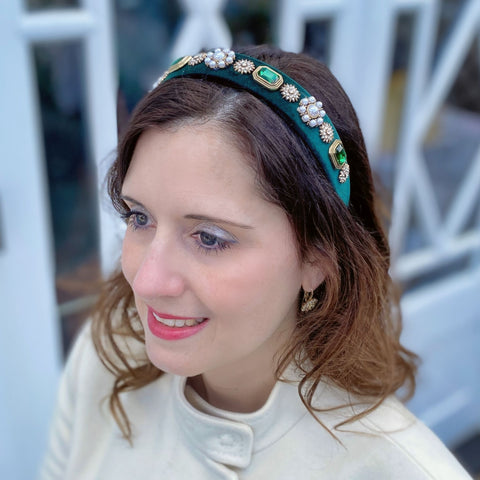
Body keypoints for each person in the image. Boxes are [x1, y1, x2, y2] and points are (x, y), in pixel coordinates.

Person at [40, 45, 472, 479]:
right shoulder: (109, 352)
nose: (148, 281)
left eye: (209, 238)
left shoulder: (400, 469)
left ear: (317, 259)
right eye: (139, 217)